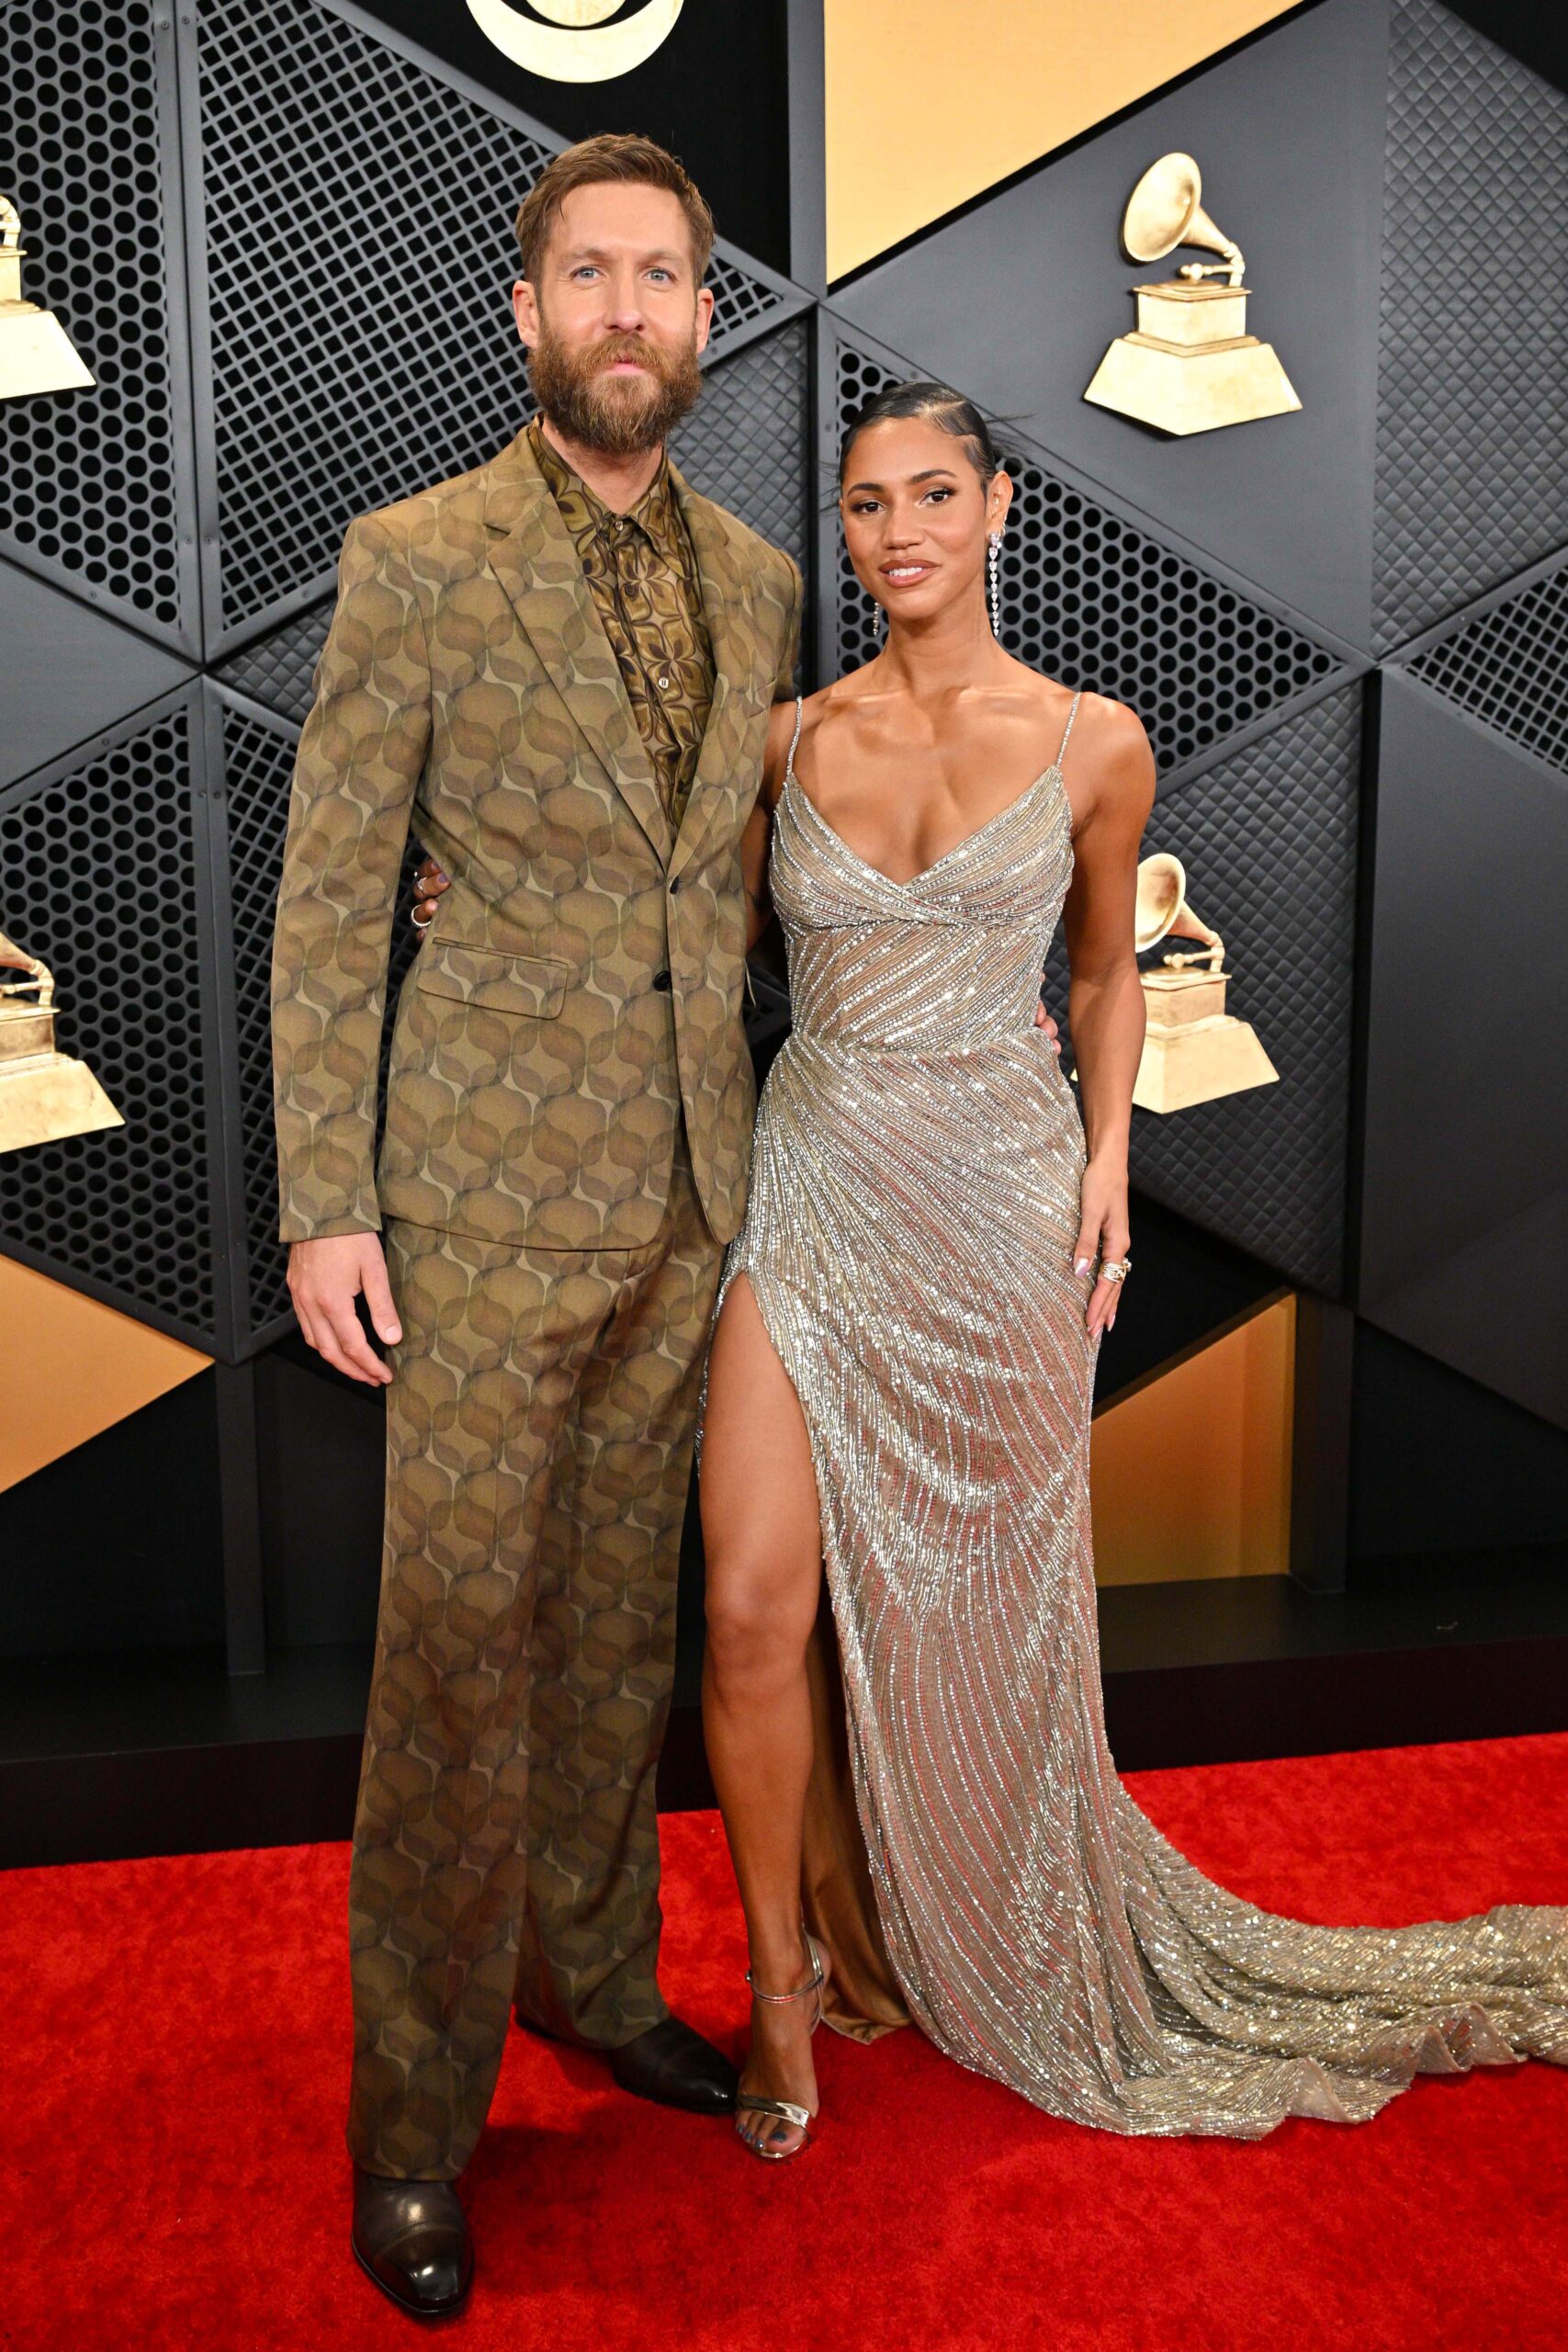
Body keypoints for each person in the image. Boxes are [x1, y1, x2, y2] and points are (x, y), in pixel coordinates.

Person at [693, 381, 1567, 2160]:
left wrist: (1104, 1155)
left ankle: (1000, 1927)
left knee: (998, 1628)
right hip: (814, 1187)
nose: (896, 530)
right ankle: (784, 1997)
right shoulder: (778, 744)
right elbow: (666, 927)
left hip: (1001, 1209)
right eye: (865, 503)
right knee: (746, 1602)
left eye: (933, 491)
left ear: (1000, 506)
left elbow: (1103, 972)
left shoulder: (1095, 741)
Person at [270, 134, 931, 2318]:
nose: (630, 307)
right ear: (528, 310)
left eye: (664, 274)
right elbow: (332, 901)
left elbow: (733, 881)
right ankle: (410, 2127)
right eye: (592, 274)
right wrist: (322, 1203)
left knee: (611, 1650)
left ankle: (593, 1981)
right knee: (452, 1668)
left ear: (702, 318)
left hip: (689, 1197)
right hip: (464, 1206)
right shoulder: (416, 559)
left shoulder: (758, 579)